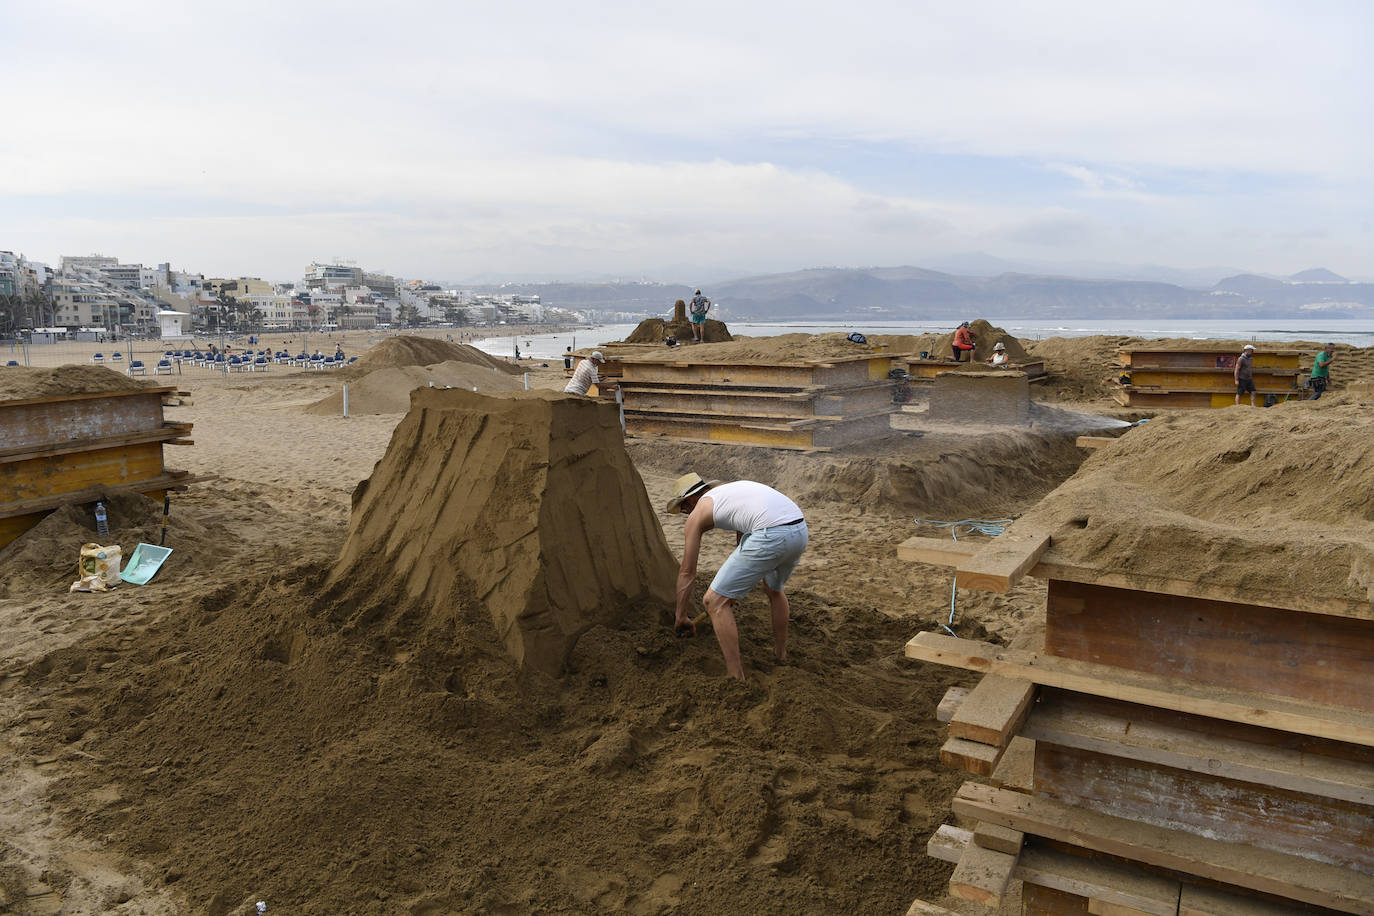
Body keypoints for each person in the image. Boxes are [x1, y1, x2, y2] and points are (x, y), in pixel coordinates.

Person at [667, 473, 808, 680]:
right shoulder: (731, 493)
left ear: (690, 500)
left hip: (771, 533)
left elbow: (687, 572)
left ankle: (735, 677)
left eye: (684, 509)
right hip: (799, 529)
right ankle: (780, 655)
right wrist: (734, 586)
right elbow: (744, 535)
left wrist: (680, 617)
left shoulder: (698, 512)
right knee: (774, 590)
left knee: (713, 601)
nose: (686, 514)